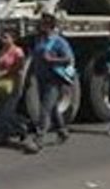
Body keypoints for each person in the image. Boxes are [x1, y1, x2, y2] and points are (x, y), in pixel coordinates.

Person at [28, 13, 75, 152]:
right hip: (41, 78)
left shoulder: (59, 41)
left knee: (44, 110)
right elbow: (35, 58)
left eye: (42, 24)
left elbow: (68, 58)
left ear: (49, 26)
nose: (40, 26)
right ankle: (62, 131)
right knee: (52, 107)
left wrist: (52, 60)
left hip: (54, 80)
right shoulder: (40, 40)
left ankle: (39, 140)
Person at [0, 29, 28, 146]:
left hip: (14, 84)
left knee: (8, 112)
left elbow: (20, 67)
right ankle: (3, 138)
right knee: (0, 112)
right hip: (2, 84)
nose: (3, 39)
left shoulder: (18, 51)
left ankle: (21, 128)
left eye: (6, 37)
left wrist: (5, 73)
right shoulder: (2, 51)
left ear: (13, 39)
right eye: (2, 36)